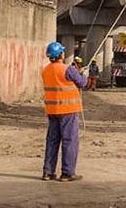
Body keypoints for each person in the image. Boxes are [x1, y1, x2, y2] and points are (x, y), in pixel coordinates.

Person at [41, 42, 86, 182]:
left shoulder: (45, 70)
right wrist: (83, 74)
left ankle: (48, 172)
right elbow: (82, 83)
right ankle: (67, 173)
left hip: (52, 111)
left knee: (52, 141)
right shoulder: (68, 70)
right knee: (69, 141)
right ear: (61, 54)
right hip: (68, 111)